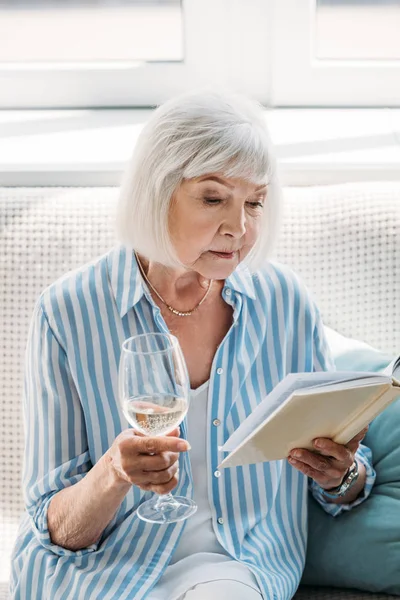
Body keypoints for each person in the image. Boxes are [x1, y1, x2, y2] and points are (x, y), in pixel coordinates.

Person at [10, 90, 375, 600]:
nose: (239, 228)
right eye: (212, 197)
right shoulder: (68, 312)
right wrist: (115, 472)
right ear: (157, 192)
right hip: (100, 574)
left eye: (253, 203)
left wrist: (342, 475)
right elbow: (59, 533)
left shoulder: (285, 302)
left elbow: (346, 487)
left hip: (233, 566)